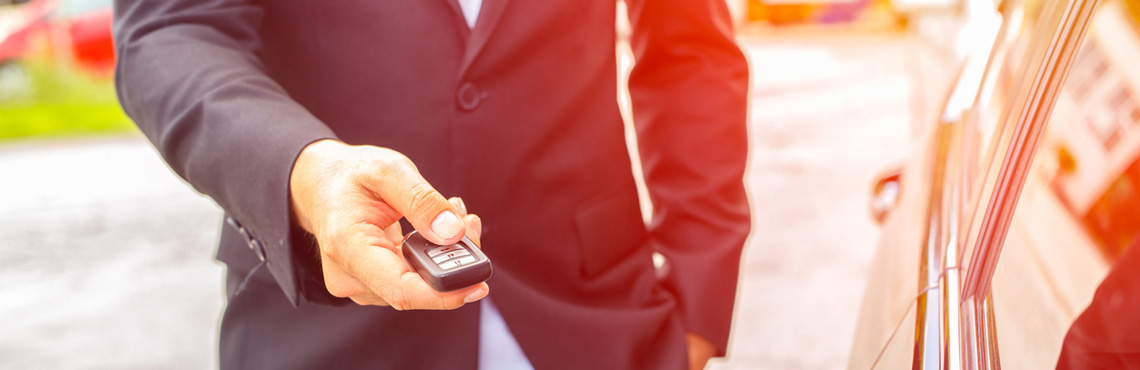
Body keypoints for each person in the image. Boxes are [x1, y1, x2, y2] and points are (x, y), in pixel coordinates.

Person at [113, 0, 751, 368]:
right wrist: (305, 173)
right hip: (325, 332)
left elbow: (688, 49)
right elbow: (171, 33)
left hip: (599, 321)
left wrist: (699, 296)